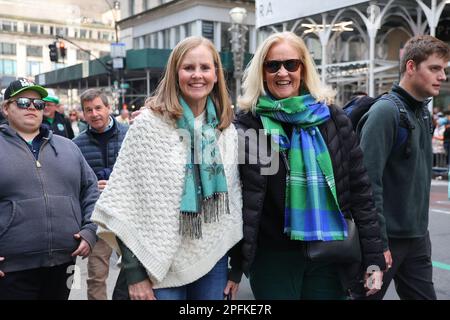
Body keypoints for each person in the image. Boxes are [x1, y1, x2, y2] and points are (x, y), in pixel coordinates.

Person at [231, 31, 385, 300]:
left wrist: (374, 258)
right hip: (273, 260)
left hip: (329, 254)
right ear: (262, 72)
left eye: (291, 64)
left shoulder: (333, 118)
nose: (283, 73)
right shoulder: (247, 125)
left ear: (303, 68)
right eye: (272, 65)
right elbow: (235, 198)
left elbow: (361, 191)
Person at [91, 36, 243, 300]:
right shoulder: (148, 126)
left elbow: (235, 203)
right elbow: (125, 203)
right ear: (175, 73)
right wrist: (135, 275)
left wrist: (237, 268)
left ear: (216, 75)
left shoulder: (225, 130)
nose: (197, 75)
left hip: (214, 259)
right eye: (188, 68)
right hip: (158, 264)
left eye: (205, 68)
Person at [357, 35, 450, 300]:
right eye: (434, 68)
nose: (442, 76)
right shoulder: (385, 113)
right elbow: (366, 184)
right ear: (411, 67)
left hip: (417, 239)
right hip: (385, 242)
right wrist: (378, 245)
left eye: (444, 69)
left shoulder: (421, 112)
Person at [0, 78, 99, 299]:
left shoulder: (68, 147)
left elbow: (91, 191)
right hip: (12, 269)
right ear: (6, 108)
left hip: (64, 262)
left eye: (38, 104)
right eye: (24, 102)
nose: (32, 108)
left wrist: (90, 231)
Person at [73, 89, 129, 300]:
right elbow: (76, 184)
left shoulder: (130, 135)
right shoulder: (76, 145)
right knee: (96, 276)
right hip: (98, 218)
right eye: (89, 110)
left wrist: (114, 182)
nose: (95, 114)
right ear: (83, 114)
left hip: (129, 214)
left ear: (108, 108)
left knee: (136, 271)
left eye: (98, 108)